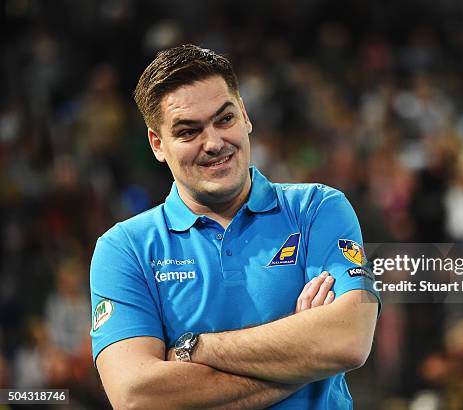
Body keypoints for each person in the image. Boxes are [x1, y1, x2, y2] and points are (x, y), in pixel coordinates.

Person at [90, 44, 380, 409]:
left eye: (224, 119)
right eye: (188, 131)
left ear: (245, 116)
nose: (214, 143)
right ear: (157, 144)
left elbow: (347, 339)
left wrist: (193, 348)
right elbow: (137, 396)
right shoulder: (125, 249)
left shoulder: (318, 209)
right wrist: (302, 357)